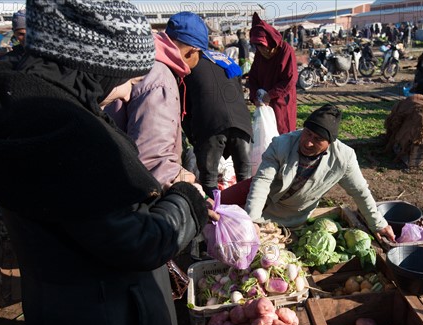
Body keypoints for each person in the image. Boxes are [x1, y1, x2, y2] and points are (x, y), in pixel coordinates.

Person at [0, 1, 213, 325]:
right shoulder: (70, 138)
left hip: (56, 318)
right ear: (94, 66)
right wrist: (188, 201)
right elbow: (138, 242)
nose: (127, 91)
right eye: (126, 78)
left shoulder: (7, 105)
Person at [222, 104, 396, 242]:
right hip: (262, 196)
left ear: (330, 142)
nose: (309, 143)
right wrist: (253, 220)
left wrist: (378, 224)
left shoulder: (344, 158)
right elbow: (261, 182)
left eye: (318, 139)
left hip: (291, 214)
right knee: (218, 208)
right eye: (308, 133)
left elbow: (360, 192)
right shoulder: (281, 144)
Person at [105, 11, 212, 191]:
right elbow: (151, 157)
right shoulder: (160, 78)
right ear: (193, 51)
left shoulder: (143, 62)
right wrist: (185, 185)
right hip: (128, 187)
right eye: (200, 56)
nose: (198, 62)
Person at [181, 50, 253, 197]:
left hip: (210, 123)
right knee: (245, 178)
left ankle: (214, 216)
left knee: (209, 180)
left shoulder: (189, 63)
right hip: (242, 120)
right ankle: (245, 216)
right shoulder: (225, 60)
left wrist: (195, 140)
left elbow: (184, 109)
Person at [248, 12, 298, 135]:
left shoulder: (286, 51)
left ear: (272, 42)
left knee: (283, 132)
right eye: (259, 47)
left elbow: (290, 79)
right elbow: (253, 76)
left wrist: (270, 95)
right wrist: (255, 96)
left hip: (280, 101)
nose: (263, 51)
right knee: (265, 134)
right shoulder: (260, 54)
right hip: (264, 102)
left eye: (265, 47)